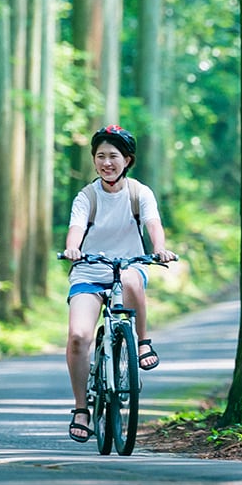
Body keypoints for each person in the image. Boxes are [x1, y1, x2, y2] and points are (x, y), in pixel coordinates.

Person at [60, 125, 176, 443]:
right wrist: (73, 247)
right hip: (89, 271)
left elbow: (154, 224)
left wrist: (159, 249)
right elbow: (76, 227)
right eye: (100, 156)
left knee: (131, 280)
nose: (106, 163)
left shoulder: (140, 193)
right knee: (78, 337)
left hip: (128, 266)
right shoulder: (87, 196)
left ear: (127, 159)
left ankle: (141, 342)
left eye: (113, 156)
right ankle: (82, 408)